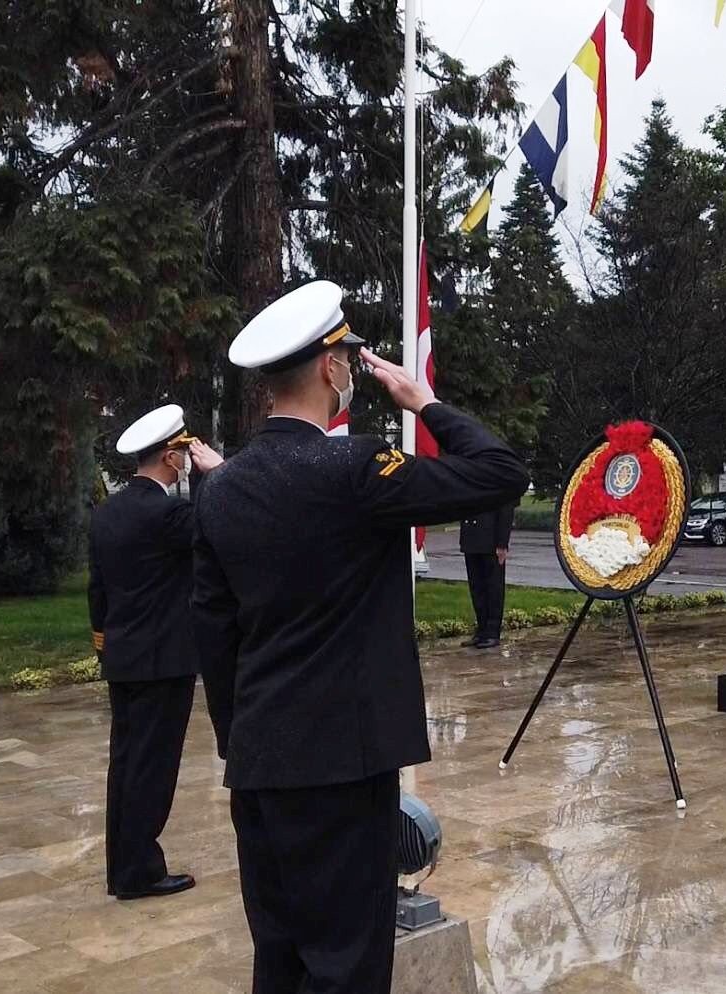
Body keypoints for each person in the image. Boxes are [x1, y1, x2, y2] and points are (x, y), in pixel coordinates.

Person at [192, 280, 529, 993]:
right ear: (328, 368)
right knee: (347, 961)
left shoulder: (219, 488)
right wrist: (424, 403)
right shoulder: (354, 469)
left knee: (279, 955)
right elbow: (501, 473)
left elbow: (214, 634)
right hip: (342, 766)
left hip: (260, 761)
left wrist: (238, 739)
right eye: (346, 356)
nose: (349, 370)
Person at [88, 404, 222, 900]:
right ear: (171, 456)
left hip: (123, 656)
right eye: (184, 455)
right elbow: (217, 527)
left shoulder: (109, 512)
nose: (188, 463)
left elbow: (96, 592)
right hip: (163, 661)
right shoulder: (166, 513)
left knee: (125, 764)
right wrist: (214, 476)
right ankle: (139, 871)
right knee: (152, 767)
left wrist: (104, 643)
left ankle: (121, 865)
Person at [459, 500, 516, 648]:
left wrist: (502, 542)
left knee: (493, 587)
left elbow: (506, 507)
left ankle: (492, 632)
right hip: (471, 537)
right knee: (477, 587)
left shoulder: (497, 477)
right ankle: (482, 629)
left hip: (491, 539)